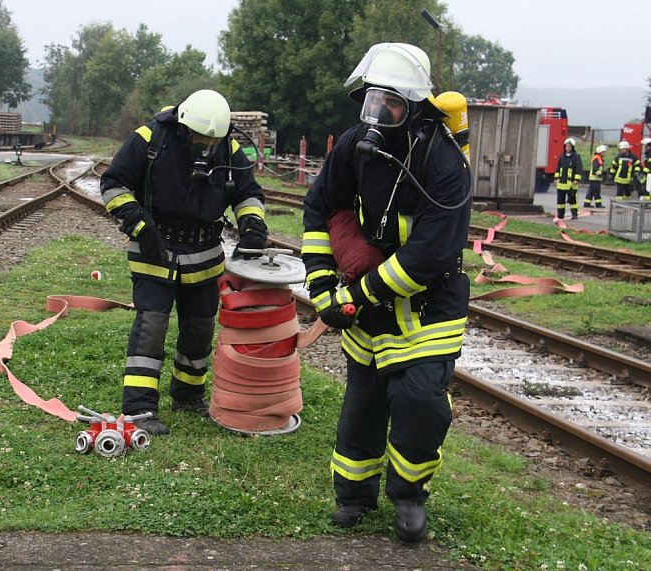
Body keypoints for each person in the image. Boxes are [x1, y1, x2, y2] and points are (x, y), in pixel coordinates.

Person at [302, 43, 471, 543]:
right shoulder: (355, 144)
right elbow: (320, 209)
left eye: (391, 103)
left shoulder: (443, 162)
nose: (378, 113)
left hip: (428, 306)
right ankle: (353, 496)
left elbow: (430, 255)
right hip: (367, 307)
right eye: (373, 100)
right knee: (364, 403)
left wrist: (359, 296)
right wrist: (321, 285)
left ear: (415, 107)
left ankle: (409, 497)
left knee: (420, 401)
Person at [100, 89, 267, 436]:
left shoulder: (228, 147)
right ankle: (140, 407)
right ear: (182, 127)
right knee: (151, 328)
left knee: (200, 329)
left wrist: (252, 224)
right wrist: (139, 224)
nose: (205, 146)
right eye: (199, 139)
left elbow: (248, 193)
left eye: (211, 141)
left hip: (205, 256)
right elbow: (113, 183)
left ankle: (188, 396)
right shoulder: (150, 139)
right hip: (154, 251)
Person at [554, 138, 583, 219]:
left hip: (571, 183)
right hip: (561, 183)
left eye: (570, 146)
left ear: (572, 147)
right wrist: (556, 178)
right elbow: (558, 168)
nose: (568, 148)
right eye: (567, 146)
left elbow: (578, 169)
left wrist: (576, 179)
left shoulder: (576, 157)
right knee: (560, 201)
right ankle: (560, 215)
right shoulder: (562, 156)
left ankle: (574, 214)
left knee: (573, 200)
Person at [583, 144, 607, 209]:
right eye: (604, 152)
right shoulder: (597, 159)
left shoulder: (598, 158)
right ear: (600, 152)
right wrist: (600, 175)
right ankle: (598, 204)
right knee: (596, 192)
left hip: (594, 179)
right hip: (595, 179)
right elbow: (595, 169)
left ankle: (587, 204)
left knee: (591, 192)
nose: (605, 153)